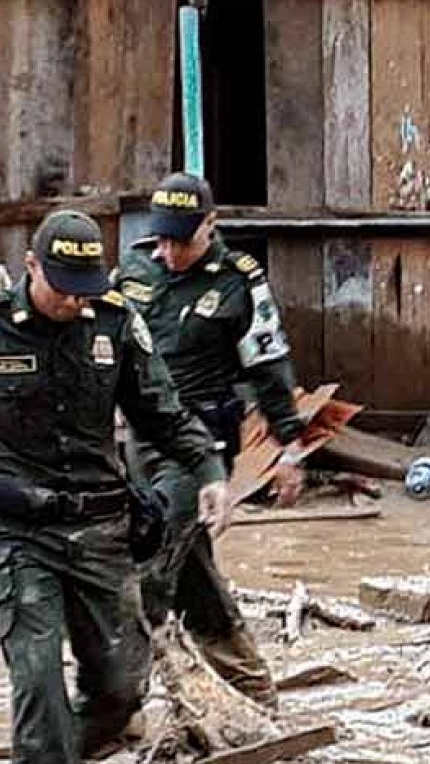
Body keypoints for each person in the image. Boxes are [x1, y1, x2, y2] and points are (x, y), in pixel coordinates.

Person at [0, 210, 229, 764]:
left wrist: (209, 470)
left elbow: (163, 412)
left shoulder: (116, 323)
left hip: (101, 531)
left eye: (85, 291)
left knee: (122, 687)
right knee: (37, 683)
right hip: (22, 534)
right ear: (31, 266)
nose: (75, 302)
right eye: (64, 290)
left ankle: (66, 750)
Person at [114, 173, 308, 709]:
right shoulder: (133, 267)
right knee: (190, 565)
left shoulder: (238, 281)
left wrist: (288, 448)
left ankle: (119, 703)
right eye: (163, 239)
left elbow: (269, 365)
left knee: (152, 567)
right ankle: (249, 684)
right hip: (138, 441)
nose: (170, 251)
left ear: (211, 225)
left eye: (183, 239)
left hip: (199, 447)